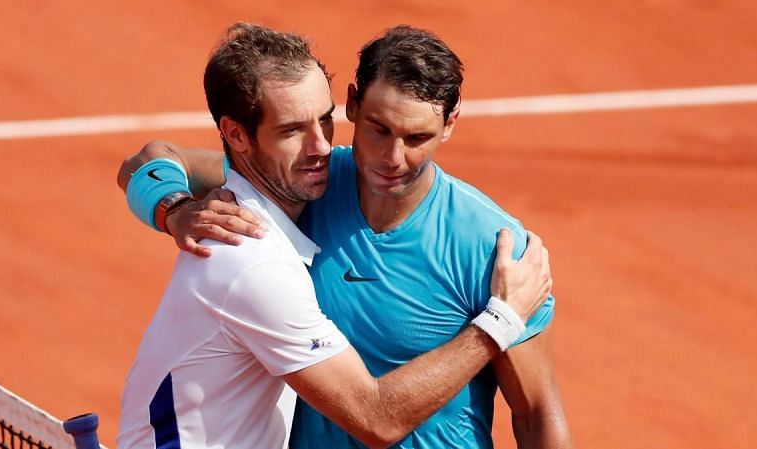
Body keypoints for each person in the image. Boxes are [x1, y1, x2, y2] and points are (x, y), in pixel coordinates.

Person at [116, 23, 555, 449]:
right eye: (379, 129)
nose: (392, 158)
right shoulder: (308, 184)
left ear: (450, 124)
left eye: (417, 137)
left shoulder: (494, 249)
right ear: (353, 106)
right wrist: (174, 208)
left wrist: (505, 315)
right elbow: (150, 158)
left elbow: (537, 412)